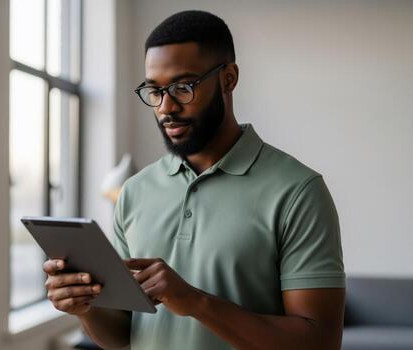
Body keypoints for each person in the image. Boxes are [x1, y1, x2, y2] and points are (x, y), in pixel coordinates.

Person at [43, 10, 346, 350]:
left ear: (228, 78)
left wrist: (197, 303)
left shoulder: (298, 192)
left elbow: (320, 343)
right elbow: (123, 335)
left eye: (183, 87)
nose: (165, 107)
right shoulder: (134, 192)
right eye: (154, 90)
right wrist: (85, 309)